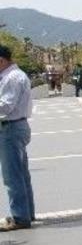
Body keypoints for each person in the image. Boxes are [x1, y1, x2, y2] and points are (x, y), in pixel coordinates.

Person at [0, 45, 35, 232]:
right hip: (17, 126)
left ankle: (20, 217)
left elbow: (6, 106)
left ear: (1, 60)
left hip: (11, 128)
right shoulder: (16, 75)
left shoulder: (11, 78)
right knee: (21, 174)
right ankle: (27, 213)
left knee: (12, 176)